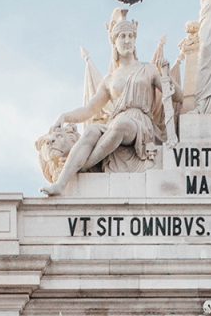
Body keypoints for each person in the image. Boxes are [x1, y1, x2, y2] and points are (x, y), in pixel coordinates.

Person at [42, 11, 165, 194]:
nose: (127, 40)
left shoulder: (148, 69)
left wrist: (168, 78)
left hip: (140, 125)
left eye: (131, 36)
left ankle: (84, 165)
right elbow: (90, 109)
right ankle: (60, 184)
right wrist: (65, 116)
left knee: (121, 125)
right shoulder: (109, 79)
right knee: (92, 130)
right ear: (114, 42)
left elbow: (174, 95)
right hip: (118, 121)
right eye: (122, 36)